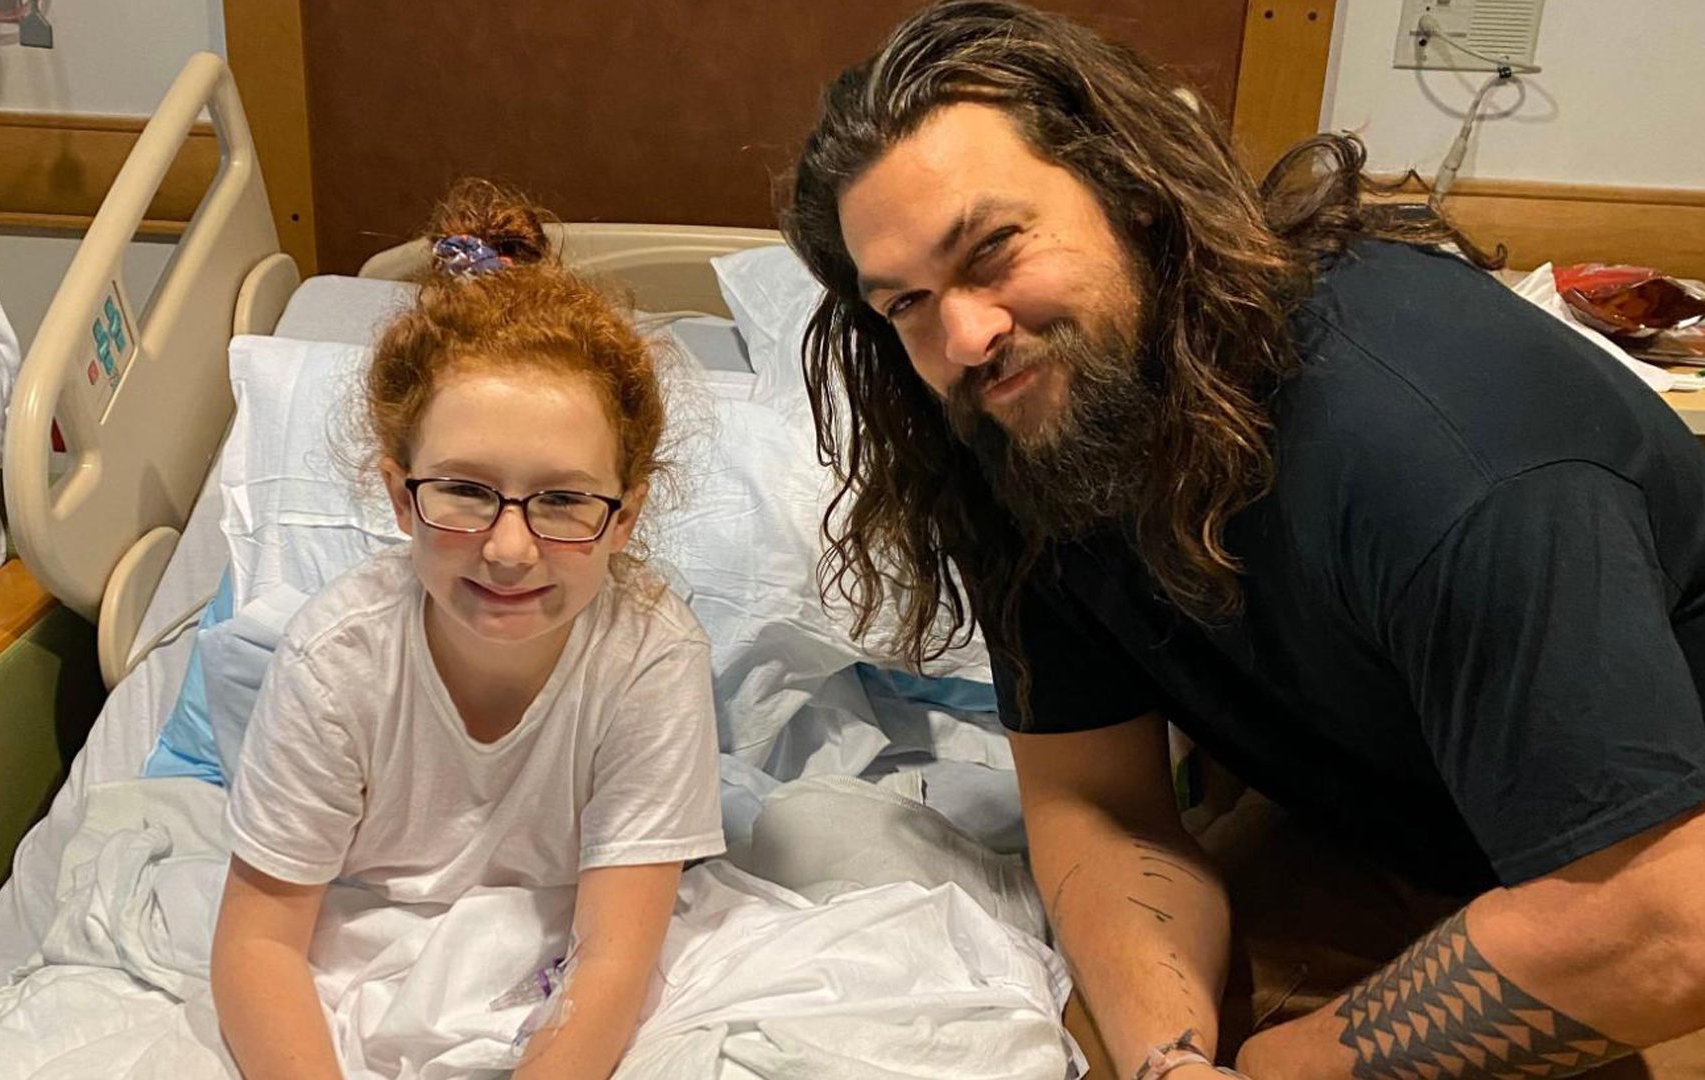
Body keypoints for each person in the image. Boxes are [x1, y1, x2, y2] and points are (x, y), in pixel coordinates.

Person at [780, 3, 1705, 1078]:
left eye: (993, 249)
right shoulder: (1025, 429)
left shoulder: (1439, 453)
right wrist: (1169, 1057)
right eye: (908, 304)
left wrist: (1277, 1070)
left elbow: (1657, 925)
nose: (966, 334)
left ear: (1134, 190)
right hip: (1402, 837)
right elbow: (1098, 800)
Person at [210, 180, 724, 1080]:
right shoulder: (342, 661)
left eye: (565, 500)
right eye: (465, 492)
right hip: (352, 948)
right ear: (398, 496)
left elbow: (612, 959)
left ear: (627, 516)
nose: (511, 548)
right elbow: (257, 945)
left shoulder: (648, 657)